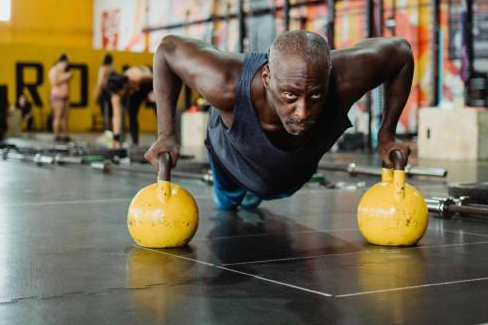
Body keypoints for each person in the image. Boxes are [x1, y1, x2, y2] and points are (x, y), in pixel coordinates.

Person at [145, 30, 414, 211]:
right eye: (290, 95)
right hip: (232, 161)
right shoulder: (225, 82)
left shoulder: (346, 79)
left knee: (262, 193)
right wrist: (166, 134)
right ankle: (237, 193)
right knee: (228, 204)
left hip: (290, 178)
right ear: (267, 78)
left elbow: (401, 52)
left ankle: (256, 192)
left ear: (329, 76)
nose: (303, 112)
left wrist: (387, 135)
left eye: (315, 95)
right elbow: (168, 49)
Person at [106, 65, 156, 149]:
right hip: (136, 92)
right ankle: (135, 142)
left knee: (159, 107)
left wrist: (156, 91)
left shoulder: (137, 76)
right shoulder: (116, 95)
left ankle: (164, 138)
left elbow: (159, 78)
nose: (120, 96)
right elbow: (116, 116)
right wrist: (116, 139)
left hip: (151, 82)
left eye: (122, 92)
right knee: (131, 113)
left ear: (125, 84)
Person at [48, 54, 72, 142]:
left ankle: (65, 135)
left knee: (65, 117)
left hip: (65, 96)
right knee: (57, 116)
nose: (66, 65)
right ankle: (56, 135)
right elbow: (54, 82)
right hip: (57, 96)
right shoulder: (54, 70)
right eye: (65, 63)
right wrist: (66, 77)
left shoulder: (64, 71)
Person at [92, 53, 115, 144]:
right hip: (111, 93)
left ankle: (107, 135)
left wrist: (96, 93)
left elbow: (100, 82)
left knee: (105, 114)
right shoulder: (112, 68)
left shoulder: (103, 68)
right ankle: (111, 134)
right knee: (111, 115)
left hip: (104, 93)